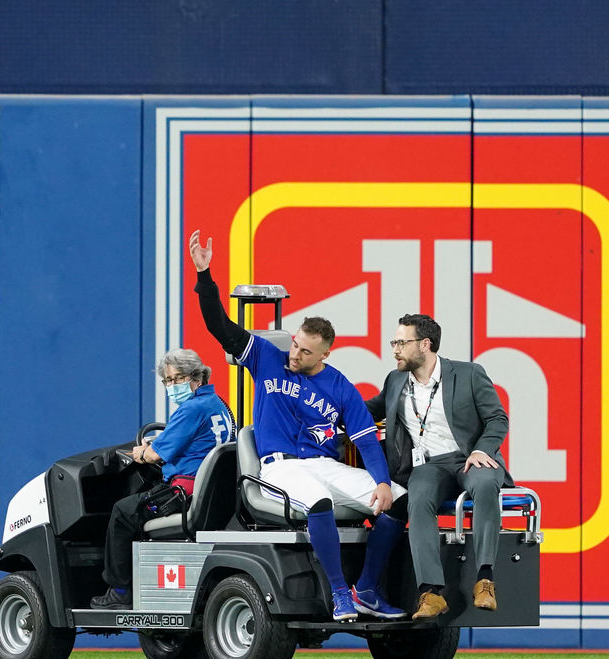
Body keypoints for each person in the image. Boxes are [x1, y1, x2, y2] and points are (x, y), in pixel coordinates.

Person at [188, 231, 407, 621]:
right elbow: (218, 325)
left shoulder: (340, 386)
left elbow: (367, 442)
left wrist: (383, 483)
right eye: (295, 344)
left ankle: (367, 590)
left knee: (399, 501)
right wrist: (205, 276)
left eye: (306, 351)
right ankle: (340, 593)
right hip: (280, 466)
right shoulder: (267, 359)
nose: (296, 353)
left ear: (325, 352)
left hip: (325, 465)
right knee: (319, 502)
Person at [365, 314, 513, 619]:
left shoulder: (469, 373)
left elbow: (497, 418)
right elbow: (367, 410)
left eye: (401, 342)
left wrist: (482, 450)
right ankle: (431, 594)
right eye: (394, 342)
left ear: (425, 344)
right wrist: (327, 408)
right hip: (430, 465)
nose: (394, 349)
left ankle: (485, 580)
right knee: (417, 497)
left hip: (471, 458)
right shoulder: (395, 380)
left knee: (485, 484)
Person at [90, 348, 235, 610]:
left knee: (123, 512)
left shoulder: (190, 410)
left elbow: (154, 455)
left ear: (197, 378)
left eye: (178, 379)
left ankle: (120, 591)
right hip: (210, 494)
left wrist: (141, 452)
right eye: (167, 381)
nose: (172, 386)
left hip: (183, 494)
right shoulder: (217, 405)